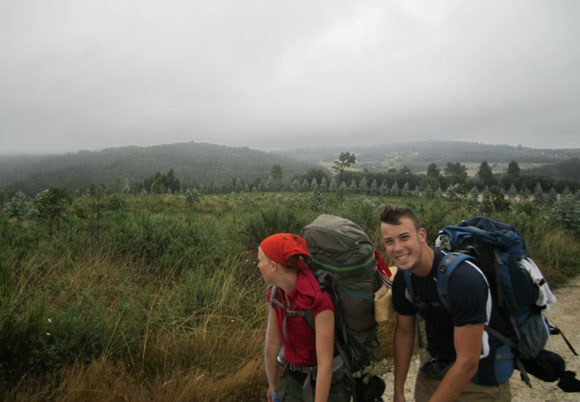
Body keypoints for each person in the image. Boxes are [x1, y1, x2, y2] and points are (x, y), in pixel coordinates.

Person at [379, 205, 512, 402]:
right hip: (435, 373)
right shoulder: (403, 279)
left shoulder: (463, 279)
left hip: (479, 381)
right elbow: (405, 333)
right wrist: (398, 392)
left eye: (404, 237)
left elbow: (468, 362)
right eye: (389, 241)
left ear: (422, 235)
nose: (397, 248)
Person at [258, 233, 350, 402]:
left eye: (261, 260)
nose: (258, 266)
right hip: (293, 379)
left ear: (273, 266)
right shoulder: (275, 294)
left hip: (328, 386)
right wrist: (272, 384)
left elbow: (325, 364)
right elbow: (272, 342)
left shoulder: (318, 300)